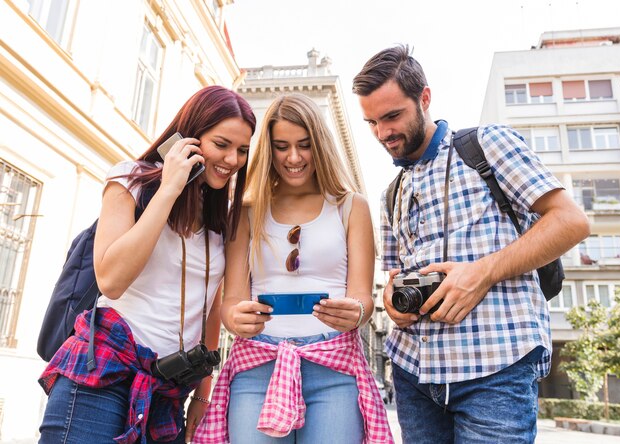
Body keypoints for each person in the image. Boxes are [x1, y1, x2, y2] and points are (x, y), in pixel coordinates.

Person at [352, 45, 590, 443]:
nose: (383, 133)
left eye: (392, 116)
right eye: (372, 122)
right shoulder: (389, 194)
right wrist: (393, 303)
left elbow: (571, 221)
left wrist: (481, 273)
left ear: (424, 98)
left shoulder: (486, 145)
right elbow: (393, 279)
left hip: (494, 371)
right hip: (415, 376)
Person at [38, 85, 256, 444]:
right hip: (102, 376)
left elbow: (212, 309)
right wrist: (170, 189)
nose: (232, 159)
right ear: (189, 138)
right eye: (222, 144)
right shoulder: (130, 180)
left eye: (242, 150)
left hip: (168, 389)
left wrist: (203, 390)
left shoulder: (224, 217)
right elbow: (112, 280)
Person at [193, 93, 394, 443]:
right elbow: (231, 300)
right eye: (282, 146)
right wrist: (235, 317)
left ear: (320, 145)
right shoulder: (245, 211)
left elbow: (363, 297)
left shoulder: (352, 207)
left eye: (304, 145)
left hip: (333, 368)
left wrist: (357, 311)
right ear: (269, 150)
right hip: (258, 366)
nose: (294, 157)